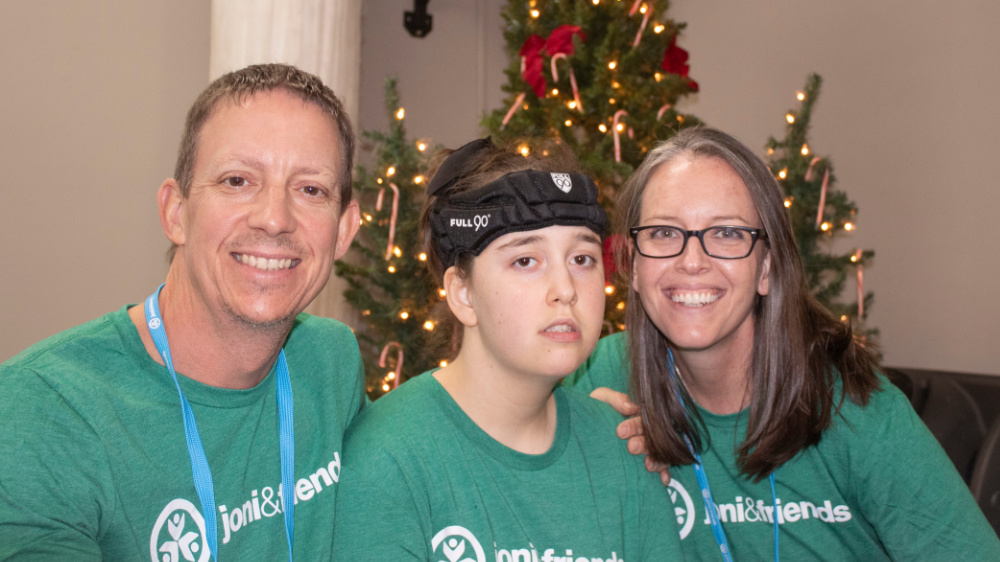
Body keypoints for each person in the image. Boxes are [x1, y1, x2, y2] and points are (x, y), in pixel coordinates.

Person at [566, 127, 1000, 560]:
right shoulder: (598, 381)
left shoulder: (855, 412)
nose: (692, 261)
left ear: (767, 267)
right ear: (634, 265)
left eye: (727, 234)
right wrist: (579, 443)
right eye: (663, 232)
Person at [0, 64, 365, 560]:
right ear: (177, 213)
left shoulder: (331, 362)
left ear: (343, 230)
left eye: (311, 190)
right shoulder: (45, 411)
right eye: (238, 180)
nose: (276, 219)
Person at [332, 138, 683, 560]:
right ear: (462, 294)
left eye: (582, 258)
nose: (566, 290)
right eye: (525, 261)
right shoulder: (389, 461)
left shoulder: (625, 451)